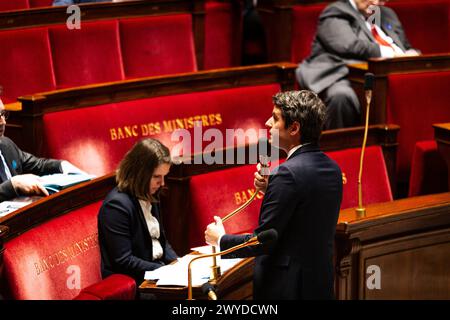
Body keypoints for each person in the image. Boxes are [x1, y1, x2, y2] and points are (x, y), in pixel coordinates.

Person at [205, 90, 343, 300]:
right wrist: (272, 187)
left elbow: (264, 241)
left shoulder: (286, 174)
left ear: (294, 128)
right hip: (319, 283)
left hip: (287, 288)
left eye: (276, 118)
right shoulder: (332, 168)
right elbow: (304, 215)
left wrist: (221, 240)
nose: (268, 123)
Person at [297, 0, 420, 129]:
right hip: (340, 73)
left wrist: (411, 54)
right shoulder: (337, 11)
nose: (377, 3)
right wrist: (393, 54)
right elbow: (349, 45)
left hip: (382, 74)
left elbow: (405, 47)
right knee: (341, 96)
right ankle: (340, 147)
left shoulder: (386, 14)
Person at [98, 138, 178, 285]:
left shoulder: (151, 194)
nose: (162, 183)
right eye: (157, 177)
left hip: (156, 274)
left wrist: (178, 264)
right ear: (140, 173)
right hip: (134, 283)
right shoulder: (116, 206)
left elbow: (161, 242)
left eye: (164, 176)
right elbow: (123, 260)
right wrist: (164, 270)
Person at [0, 88, 85, 202]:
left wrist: (62, 166)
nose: (3, 122)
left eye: (3, 114)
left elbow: (38, 165)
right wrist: (12, 185)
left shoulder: (6, 144)